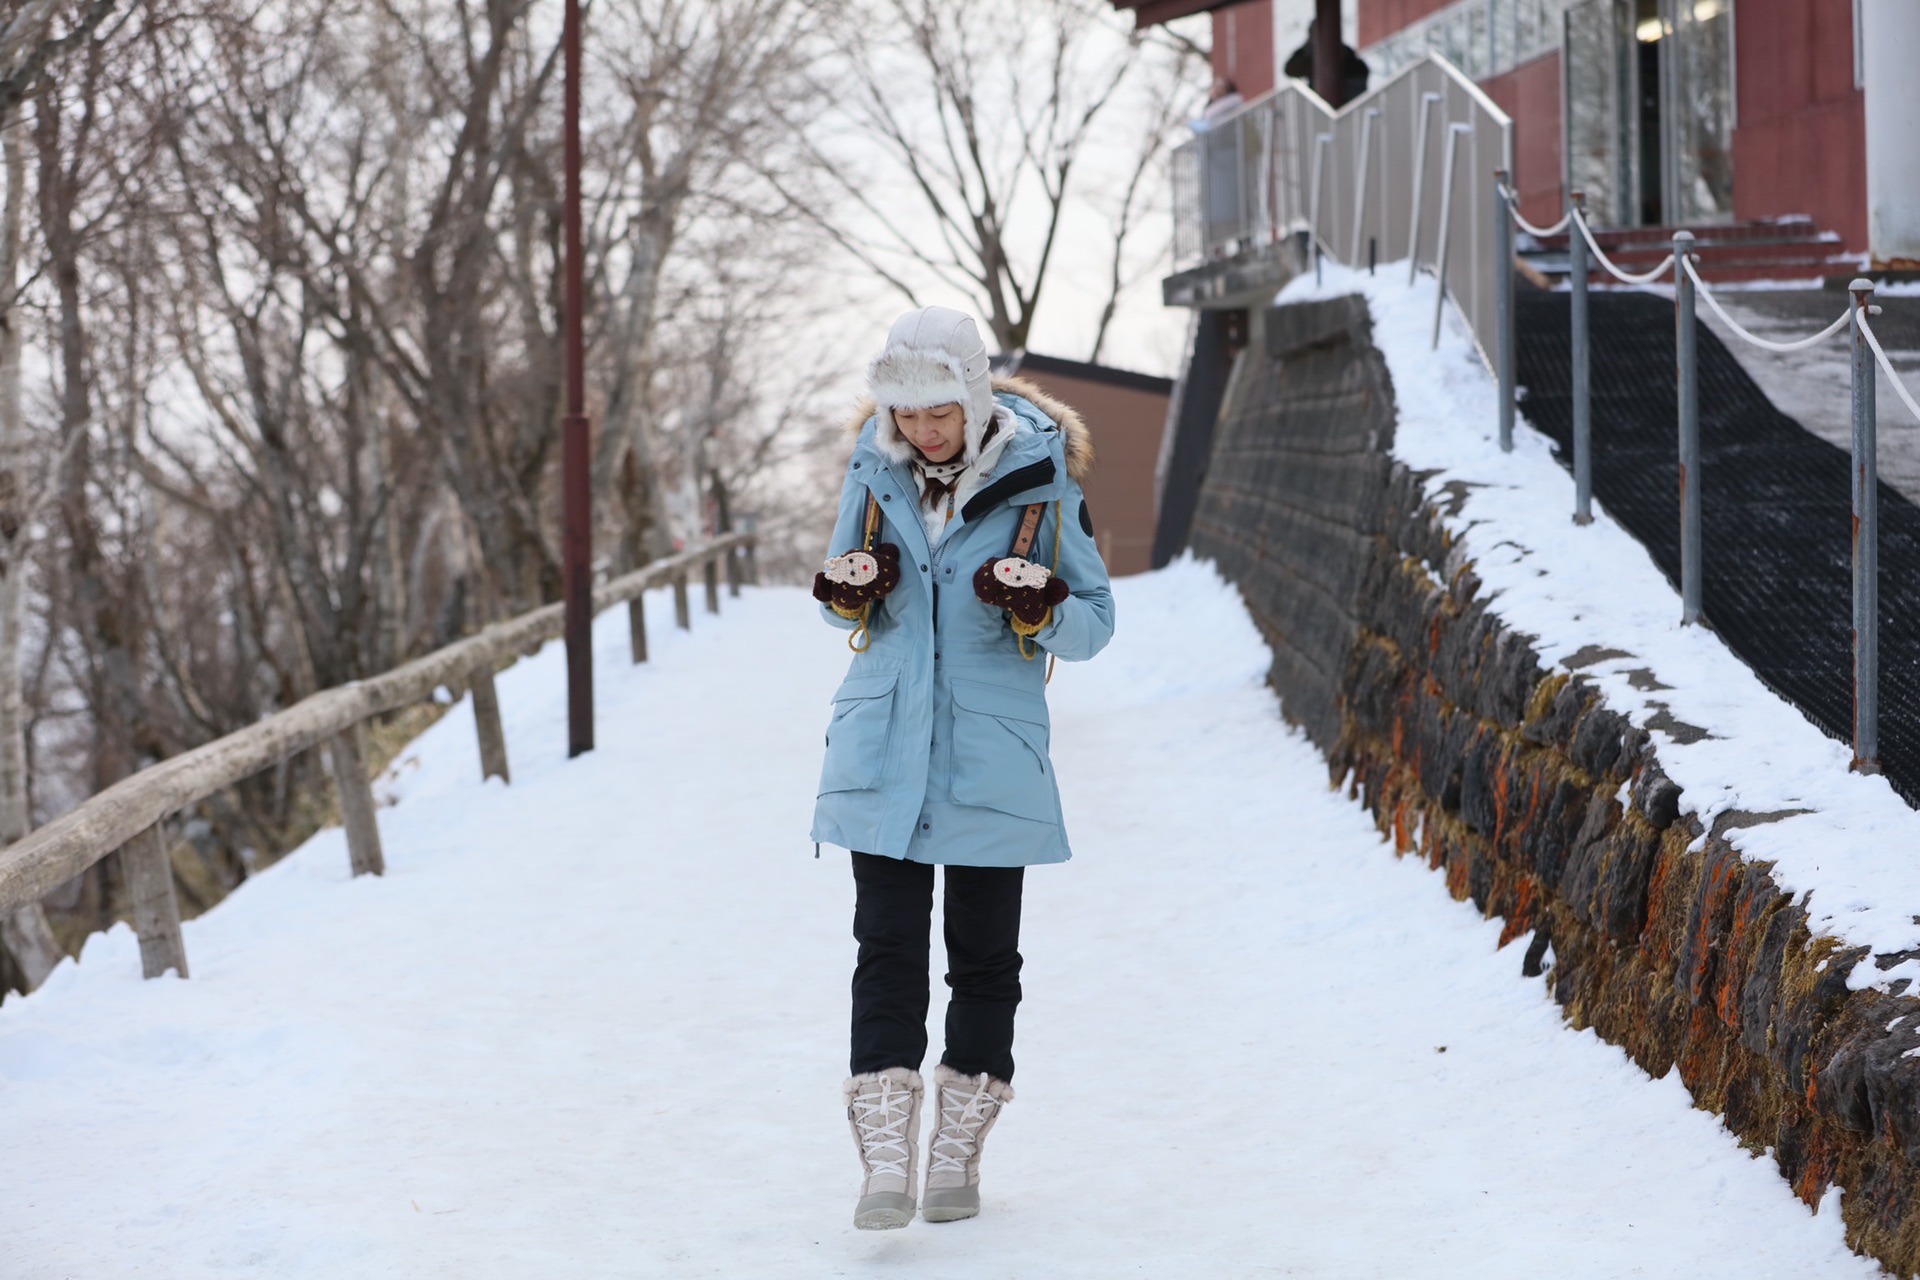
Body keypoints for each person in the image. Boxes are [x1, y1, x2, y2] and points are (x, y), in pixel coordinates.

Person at [811, 306, 1114, 1230]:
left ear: (975, 396)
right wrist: (850, 590)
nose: (922, 429)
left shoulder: (1042, 486)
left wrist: (1041, 605)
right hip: (882, 751)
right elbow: (837, 598)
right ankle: (886, 1157)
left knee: (985, 961)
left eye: (938, 410)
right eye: (905, 412)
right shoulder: (871, 475)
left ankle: (958, 1148)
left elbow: (1093, 622)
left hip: (991, 755)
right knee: (886, 953)